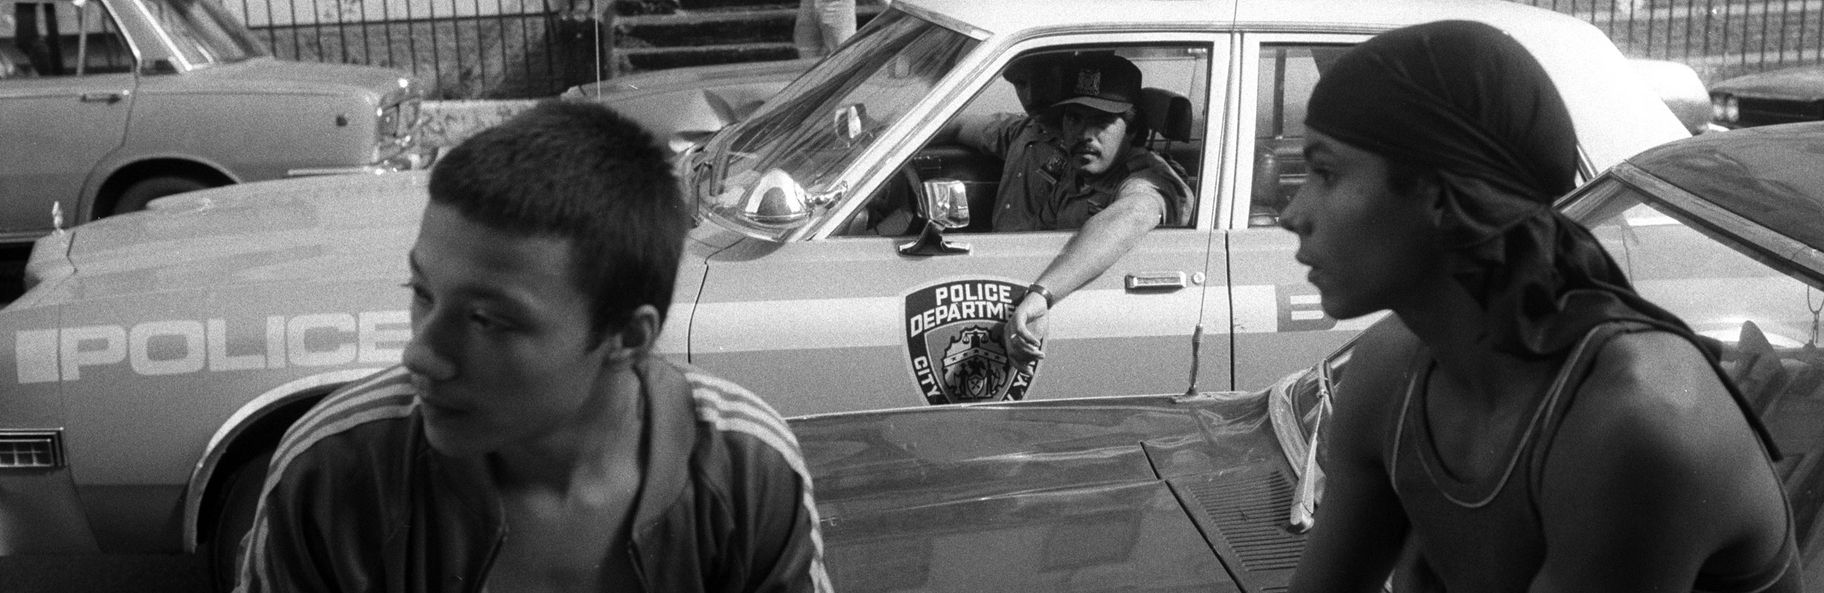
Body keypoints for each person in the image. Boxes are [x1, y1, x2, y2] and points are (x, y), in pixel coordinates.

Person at [1280, 21, 1801, 593]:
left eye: (1326, 173)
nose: (1293, 213)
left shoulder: (1634, 422)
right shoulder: (1388, 372)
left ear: (1438, 192)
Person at [234, 102, 831, 593]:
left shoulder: (745, 471)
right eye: (421, 292)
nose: (420, 354)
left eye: (489, 320)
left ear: (627, 335)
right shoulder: (336, 474)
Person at [950, 53, 1192, 366]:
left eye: (1102, 122)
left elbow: (1134, 214)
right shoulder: (1066, 157)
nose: (1084, 135)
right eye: (1074, 119)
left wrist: (1042, 296)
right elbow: (963, 126)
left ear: (1132, 131)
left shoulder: (1148, 176)